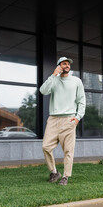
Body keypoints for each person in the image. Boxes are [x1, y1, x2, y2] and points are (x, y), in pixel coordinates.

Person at [40, 56, 86, 185]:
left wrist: (77, 118)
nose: (67, 66)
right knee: (46, 147)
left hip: (69, 119)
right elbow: (43, 91)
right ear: (59, 66)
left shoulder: (76, 81)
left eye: (68, 64)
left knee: (68, 150)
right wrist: (53, 75)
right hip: (53, 119)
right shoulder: (54, 80)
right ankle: (54, 172)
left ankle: (65, 176)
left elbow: (81, 101)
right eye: (64, 64)